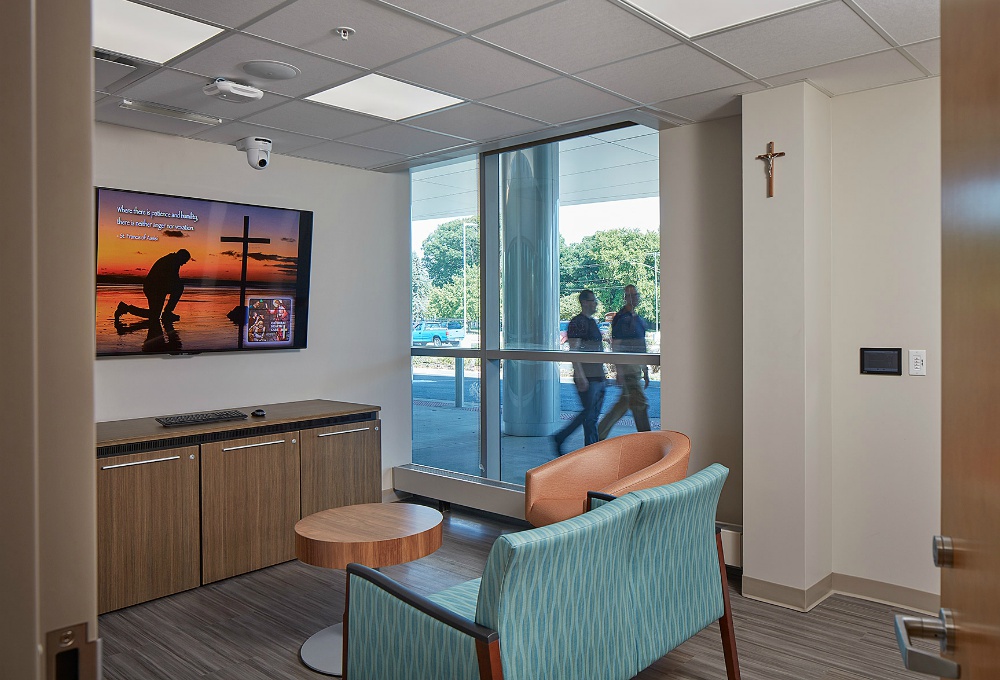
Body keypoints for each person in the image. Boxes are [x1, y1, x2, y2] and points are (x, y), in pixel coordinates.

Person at [551, 290, 607, 455]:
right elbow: (574, 351)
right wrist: (580, 375)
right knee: (589, 417)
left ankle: (565, 439)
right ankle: (590, 452)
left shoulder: (592, 322)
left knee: (591, 416)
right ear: (584, 302)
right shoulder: (577, 322)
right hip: (587, 376)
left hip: (597, 375)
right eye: (592, 300)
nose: (595, 303)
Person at [598, 284, 651, 439]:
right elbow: (617, 345)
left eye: (636, 294)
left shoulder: (637, 318)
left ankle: (598, 435)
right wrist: (619, 371)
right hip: (628, 368)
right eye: (632, 295)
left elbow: (641, 346)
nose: (636, 297)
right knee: (640, 404)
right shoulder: (621, 318)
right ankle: (648, 441)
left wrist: (645, 370)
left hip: (635, 368)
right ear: (626, 298)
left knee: (625, 404)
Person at [114, 249, 191, 322]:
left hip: (158, 288)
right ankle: (126, 308)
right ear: (181, 257)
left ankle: (167, 312)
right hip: (154, 288)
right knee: (154, 314)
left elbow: (173, 279)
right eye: (184, 261)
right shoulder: (172, 262)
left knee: (154, 314)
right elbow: (173, 279)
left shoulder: (173, 260)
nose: (184, 263)